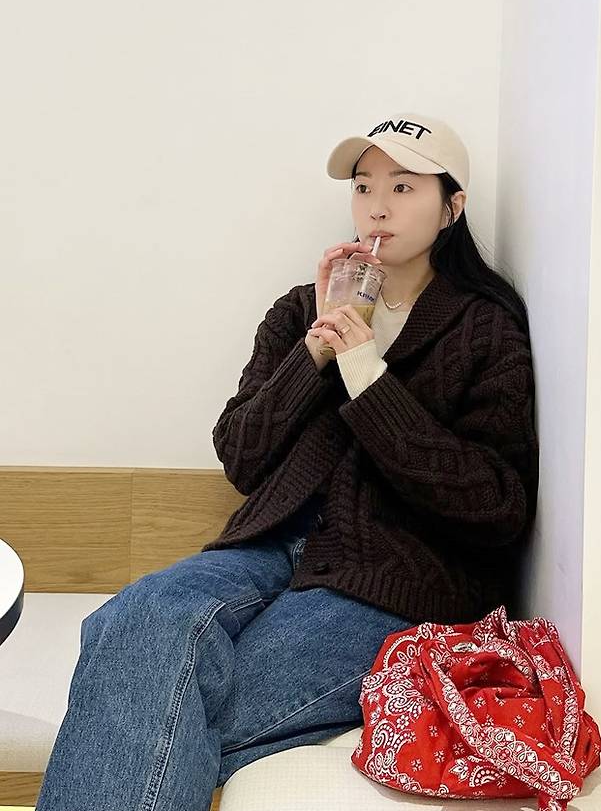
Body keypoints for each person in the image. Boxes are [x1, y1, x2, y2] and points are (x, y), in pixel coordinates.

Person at [35, 112, 539, 811]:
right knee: (135, 621)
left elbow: (495, 505)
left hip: (393, 580)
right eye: (364, 187)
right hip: (270, 544)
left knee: (175, 701)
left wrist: (367, 372)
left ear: (452, 207)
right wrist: (315, 353)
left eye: (403, 187)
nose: (378, 206)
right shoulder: (300, 311)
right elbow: (241, 456)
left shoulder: (485, 326)